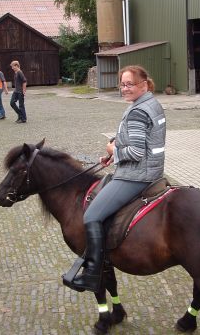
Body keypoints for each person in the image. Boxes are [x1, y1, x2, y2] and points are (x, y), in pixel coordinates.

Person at [64, 65, 166, 293]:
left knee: (91, 215)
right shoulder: (151, 104)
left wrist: (114, 150)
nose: (125, 88)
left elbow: (137, 152)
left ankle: (92, 274)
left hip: (137, 175)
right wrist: (113, 152)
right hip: (151, 169)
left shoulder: (138, 112)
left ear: (144, 84)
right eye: (122, 84)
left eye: (130, 84)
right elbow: (139, 140)